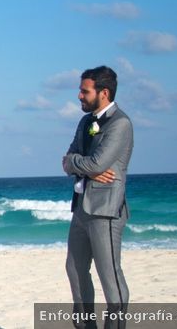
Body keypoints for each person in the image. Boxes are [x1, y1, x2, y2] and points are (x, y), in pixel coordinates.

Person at [63, 66, 134, 329]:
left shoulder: (121, 123)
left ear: (103, 93)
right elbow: (69, 160)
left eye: (85, 91)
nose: (79, 95)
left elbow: (96, 163)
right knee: (75, 270)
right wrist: (79, 163)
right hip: (81, 208)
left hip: (105, 210)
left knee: (110, 278)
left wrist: (80, 164)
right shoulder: (85, 122)